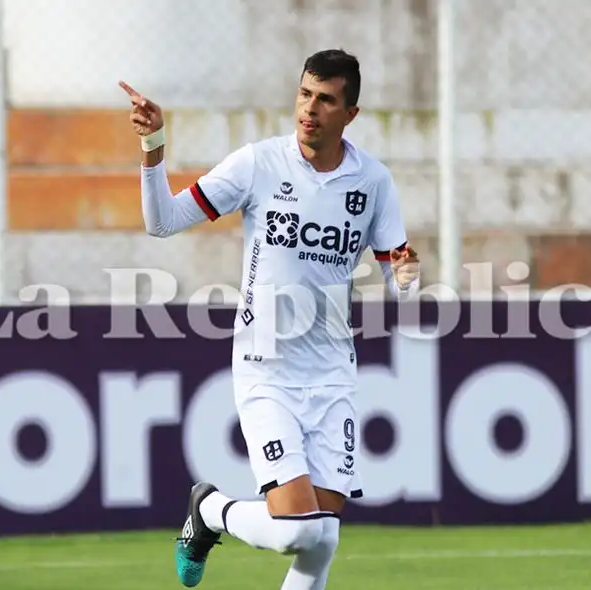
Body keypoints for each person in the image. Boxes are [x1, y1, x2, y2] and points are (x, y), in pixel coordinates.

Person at [120, 48, 421, 589]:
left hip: (333, 376)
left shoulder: (373, 182)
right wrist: (153, 145)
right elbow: (161, 222)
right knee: (297, 531)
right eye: (305, 94)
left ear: (349, 114)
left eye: (326, 100)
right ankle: (209, 511)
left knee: (322, 537)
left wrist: (407, 277)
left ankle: (214, 514)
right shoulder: (258, 164)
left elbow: (401, 279)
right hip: (267, 370)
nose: (310, 108)